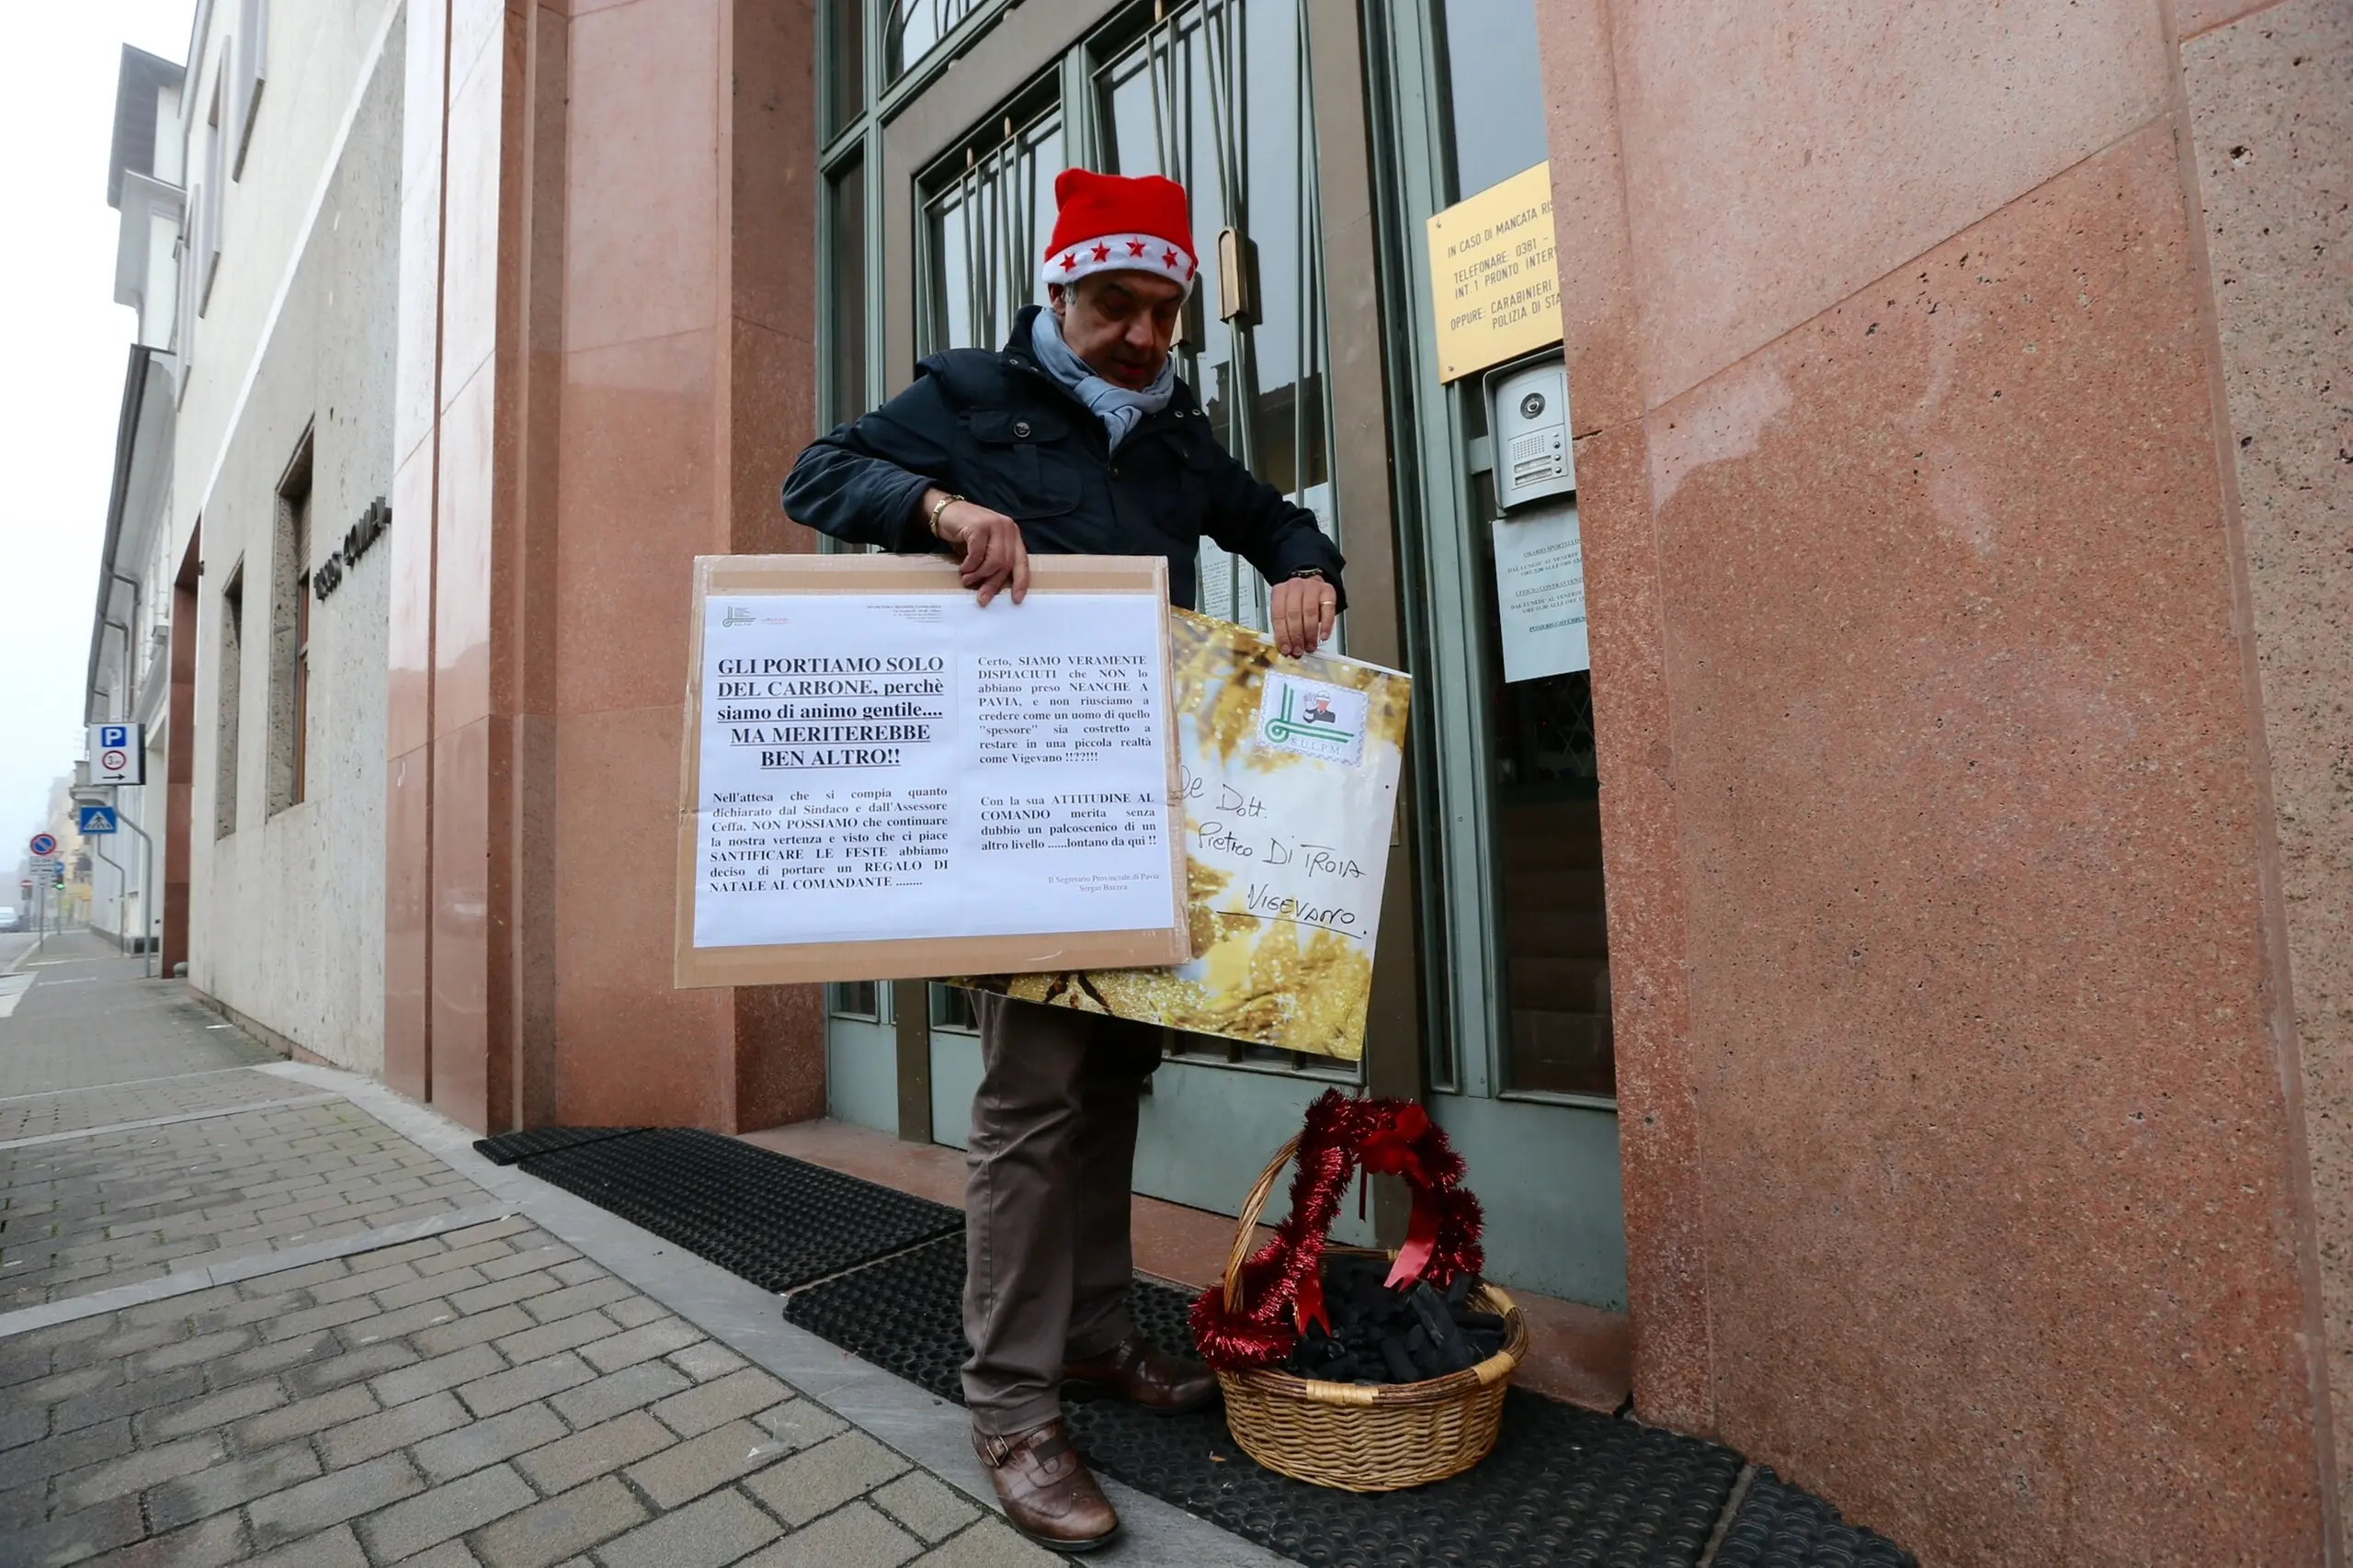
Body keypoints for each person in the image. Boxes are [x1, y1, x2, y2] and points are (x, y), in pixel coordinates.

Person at [783, 167, 1346, 1552]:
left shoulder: (1174, 436)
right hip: (1018, 809)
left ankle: (1095, 1343)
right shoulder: (973, 399)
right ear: (1059, 290)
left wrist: (1307, 564)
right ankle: (1014, 1409)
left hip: (1138, 812)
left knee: (1109, 1083)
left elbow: (1271, 516)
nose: (1148, 338)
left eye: (1168, 312)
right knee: (1032, 1100)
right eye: (1118, 308)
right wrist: (939, 512)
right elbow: (816, 474)